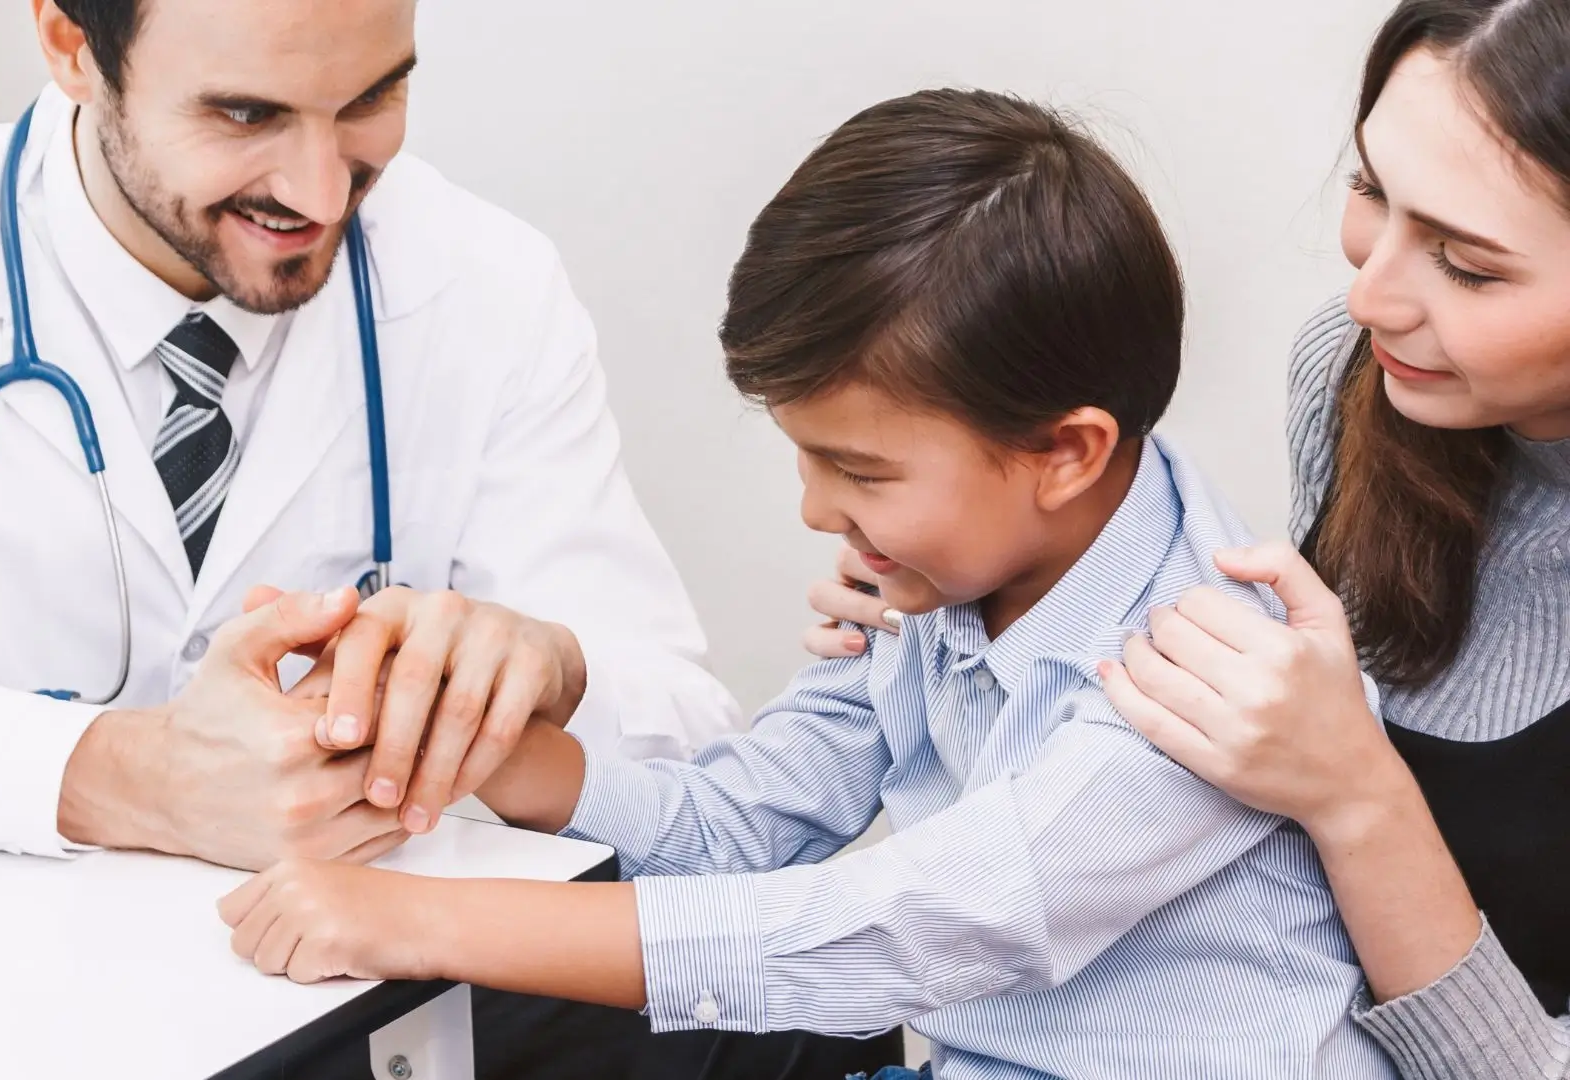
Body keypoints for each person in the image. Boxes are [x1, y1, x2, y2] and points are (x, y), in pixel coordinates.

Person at [0, 1, 912, 1077]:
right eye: (247, 116)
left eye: (372, 100)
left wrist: (544, 669)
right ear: (67, 42)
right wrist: (115, 773)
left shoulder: (482, 282)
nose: (320, 194)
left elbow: (686, 734)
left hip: (349, 1006)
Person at [208, 88, 1397, 1080]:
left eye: (859, 470)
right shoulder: (938, 591)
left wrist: (416, 923)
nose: (818, 511)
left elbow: (906, 926)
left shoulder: (1206, 679)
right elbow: (737, 828)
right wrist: (475, 744)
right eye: (806, 457)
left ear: (1067, 452)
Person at [814, 4, 1570, 1077]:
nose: (1369, 293)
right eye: (1371, 194)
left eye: (1468, 265)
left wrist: (1359, 800)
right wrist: (959, 569)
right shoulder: (1364, 376)